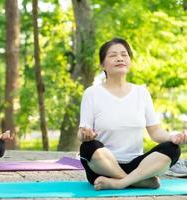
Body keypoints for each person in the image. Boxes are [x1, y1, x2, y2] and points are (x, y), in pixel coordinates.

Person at [78, 38, 186, 190]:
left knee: (172, 149)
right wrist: (84, 135)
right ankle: (137, 182)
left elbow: (155, 132)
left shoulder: (141, 92)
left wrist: (173, 137)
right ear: (102, 64)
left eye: (124, 54)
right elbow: (83, 132)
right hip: (103, 167)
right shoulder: (92, 93)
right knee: (88, 146)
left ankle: (120, 183)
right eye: (113, 55)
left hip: (137, 166)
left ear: (129, 61)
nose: (120, 58)